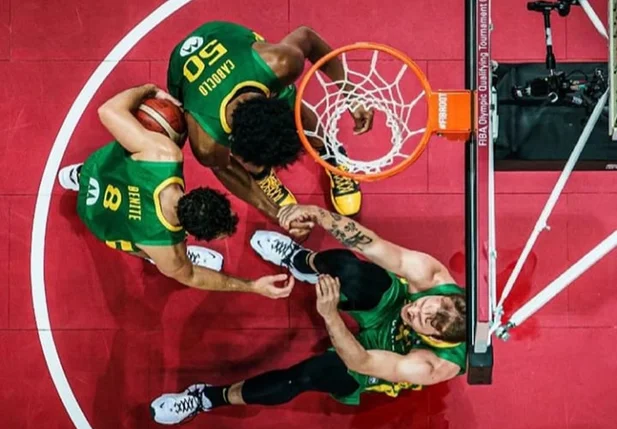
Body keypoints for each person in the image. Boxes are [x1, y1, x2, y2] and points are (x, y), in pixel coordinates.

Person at [150, 204, 466, 425]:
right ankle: (301, 261)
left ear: (434, 337)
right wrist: (320, 215)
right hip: (387, 303)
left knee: (302, 377)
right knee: (349, 268)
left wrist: (330, 316)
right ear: (440, 296)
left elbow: (362, 362)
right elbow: (373, 246)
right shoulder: (432, 277)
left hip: (383, 353)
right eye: (424, 304)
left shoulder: (432, 366)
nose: (416, 309)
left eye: (419, 319)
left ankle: (206, 398)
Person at [57, 83, 295, 299]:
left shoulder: (164, 155)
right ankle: (150, 257)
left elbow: (107, 111)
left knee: (135, 147)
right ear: (188, 234)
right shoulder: (168, 249)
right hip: (95, 218)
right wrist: (252, 286)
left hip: (95, 169)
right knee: (151, 253)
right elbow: (190, 275)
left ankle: (78, 176)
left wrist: (149, 90)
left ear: (203, 191)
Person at [167, 21, 374, 230]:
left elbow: (308, 38)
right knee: (249, 155)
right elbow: (225, 167)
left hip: (223, 35)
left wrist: (351, 95)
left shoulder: (280, 62)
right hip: (180, 71)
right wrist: (275, 213)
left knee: (297, 113)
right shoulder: (206, 142)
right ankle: (262, 174)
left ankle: (330, 154)